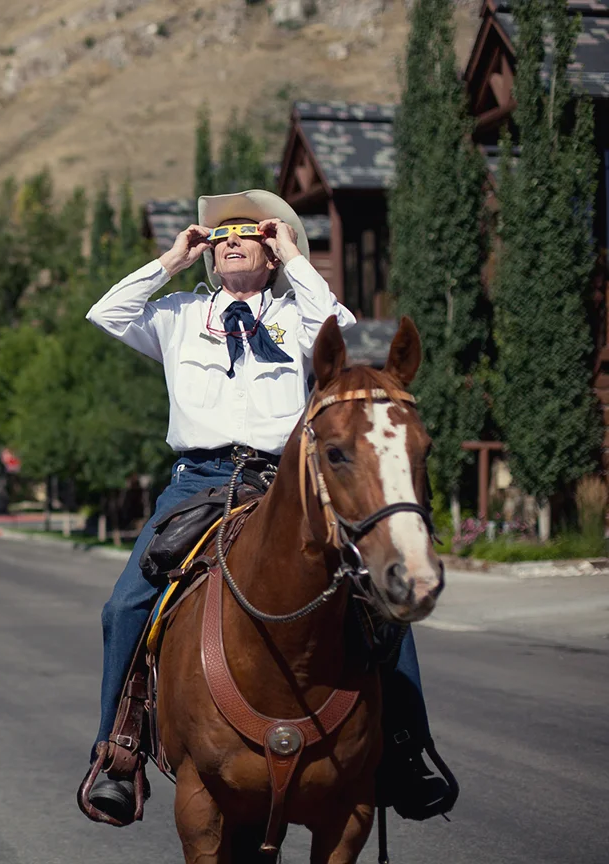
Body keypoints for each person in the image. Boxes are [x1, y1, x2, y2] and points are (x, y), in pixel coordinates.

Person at [81, 189, 452, 823]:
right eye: (220, 234)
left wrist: (296, 260)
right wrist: (171, 260)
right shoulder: (176, 314)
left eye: (247, 233)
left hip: (288, 481)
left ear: (272, 248)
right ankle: (117, 754)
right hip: (196, 481)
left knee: (376, 599)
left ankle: (405, 747)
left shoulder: (300, 316)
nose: (230, 240)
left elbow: (349, 335)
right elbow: (107, 313)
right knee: (124, 605)